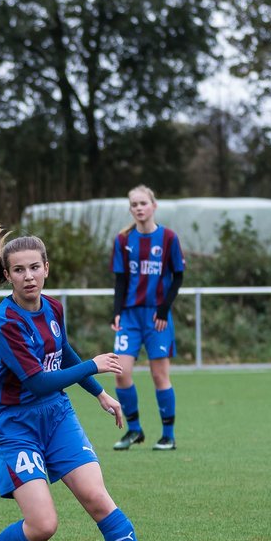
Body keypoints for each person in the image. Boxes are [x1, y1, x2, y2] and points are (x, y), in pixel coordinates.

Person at [0, 223, 176, 541]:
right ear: (7, 275)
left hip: (56, 416)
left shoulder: (53, 307)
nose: (28, 276)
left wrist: (100, 393)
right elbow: (36, 382)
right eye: (19, 270)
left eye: (34, 267)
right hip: (15, 424)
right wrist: (97, 365)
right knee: (42, 526)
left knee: (98, 500)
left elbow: (63, 353)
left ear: (46, 268)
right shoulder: (5, 322)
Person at [109, 185, 186, 451]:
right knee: (121, 373)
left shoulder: (168, 238)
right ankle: (134, 430)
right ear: (130, 209)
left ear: (154, 205)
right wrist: (117, 312)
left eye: (143, 203)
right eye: (134, 204)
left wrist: (164, 309)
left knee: (159, 375)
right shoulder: (123, 240)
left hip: (156, 317)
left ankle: (168, 435)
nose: (139, 208)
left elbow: (178, 275)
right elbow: (120, 279)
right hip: (130, 317)